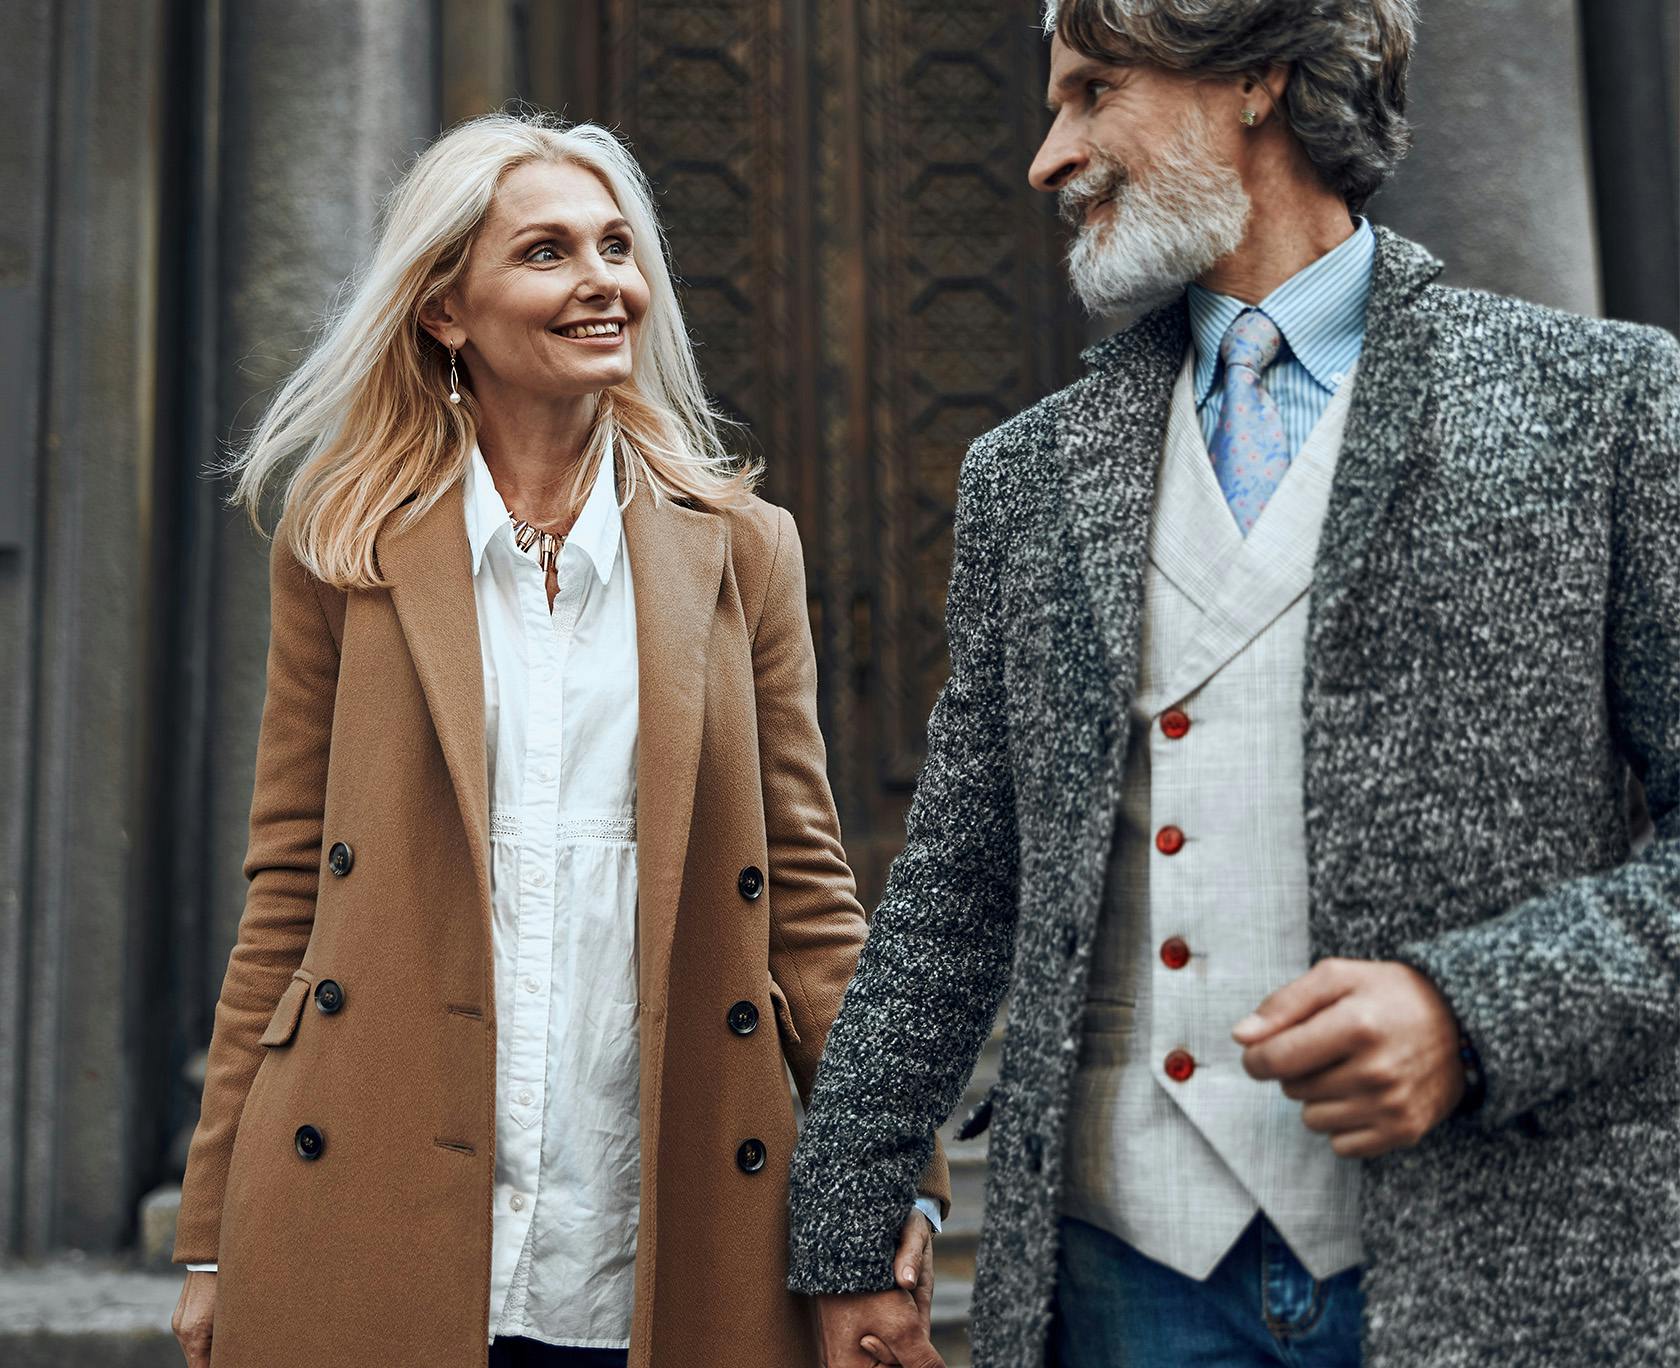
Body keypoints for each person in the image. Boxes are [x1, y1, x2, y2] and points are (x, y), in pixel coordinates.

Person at [786, 2, 1680, 1366]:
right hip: (1128, 1270)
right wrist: (855, 1212)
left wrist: (1473, 1013)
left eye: (1092, 94)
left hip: (1502, 1262)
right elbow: (962, 882)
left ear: (1257, 76)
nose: (1046, 155)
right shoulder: (1030, 477)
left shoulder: (1606, 406)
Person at [168, 111, 947, 1368]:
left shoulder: (743, 548)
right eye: (546, 252)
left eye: (617, 248)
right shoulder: (345, 548)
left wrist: (893, 1191)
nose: (604, 284)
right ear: (445, 311)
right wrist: (211, 1235)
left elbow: (805, 901)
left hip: (663, 1217)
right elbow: (286, 899)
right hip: (374, 1211)